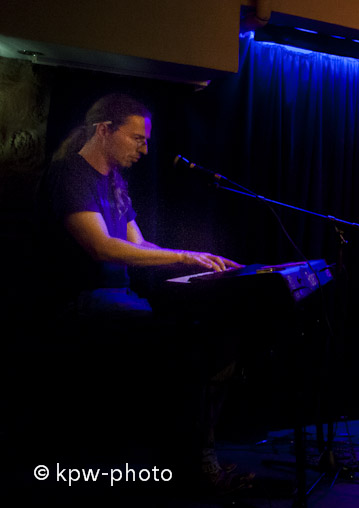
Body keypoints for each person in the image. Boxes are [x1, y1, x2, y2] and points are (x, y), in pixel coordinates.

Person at [34, 93, 250, 493]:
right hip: (80, 303)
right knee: (190, 344)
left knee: (214, 336)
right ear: (105, 130)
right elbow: (102, 247)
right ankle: (192, 462)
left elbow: (140, 245)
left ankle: (186, 456)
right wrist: (183, 257)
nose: (145, 149)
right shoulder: (69, 174)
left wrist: (198, 259)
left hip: (116, 300)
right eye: (137, 138)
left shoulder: (115, 181)